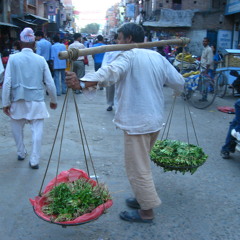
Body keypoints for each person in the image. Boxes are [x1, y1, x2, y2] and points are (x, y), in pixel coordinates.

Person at [65, 22, 185, 223]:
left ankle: (147, 211)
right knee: (142, 163)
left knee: (138, 168)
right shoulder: (157, 57)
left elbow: (109, 73)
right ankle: (142, 198)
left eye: (119, 38)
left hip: (137, 122)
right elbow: (178, 82)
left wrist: (83, 82)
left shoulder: (128, 55)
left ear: (128, 39)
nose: (117, 42)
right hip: (154, 120)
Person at [1, 27, 57, 169]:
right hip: (36, 100)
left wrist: (5, 103)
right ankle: (34, 160)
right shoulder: (41, 59)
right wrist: (53, 100)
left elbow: (7, 82)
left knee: (16, 128)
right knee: (37, 130)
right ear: (34, 44)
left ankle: (21, 152)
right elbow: (49, 82)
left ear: (20, 43)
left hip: (17, 100)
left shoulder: (13, 59)